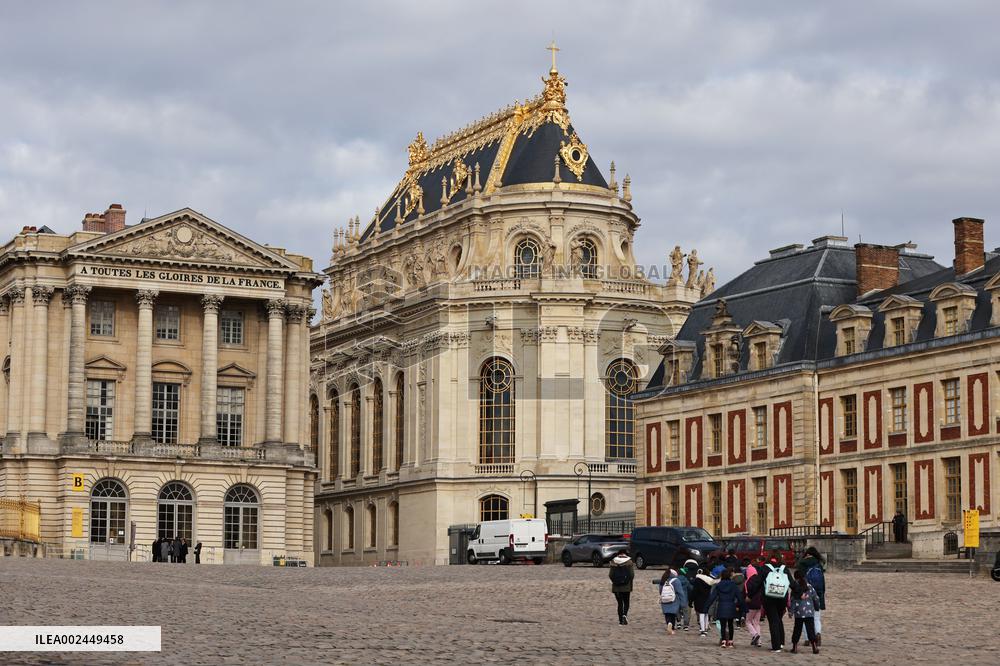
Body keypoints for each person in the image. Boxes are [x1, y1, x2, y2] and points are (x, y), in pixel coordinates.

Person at [752, 553, 790, 652]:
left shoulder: (765, 568)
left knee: (773, 621)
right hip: (782, 598)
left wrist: (750, 595)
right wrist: (800, 591)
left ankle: (776, 646)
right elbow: (792, 582)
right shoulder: (784, 568)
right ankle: (781, 642)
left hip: (769, 598)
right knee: (779, 619)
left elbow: (757, 583)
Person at [797, 546, 826, 646]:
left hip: (806, 592)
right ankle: (818, 633)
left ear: (807, 554)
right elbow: (822, 580)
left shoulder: (802, 563)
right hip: (818, 592)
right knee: (816, 617)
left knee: (805, 616)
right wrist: (822, 593)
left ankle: (807, 639)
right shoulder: (818, 563)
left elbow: (799, 579)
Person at [707, 568, 743, 648]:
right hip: (731, 606)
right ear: (730, 576)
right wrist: (740, 606)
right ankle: (730, 641)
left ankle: (723, 641)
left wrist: (706, 607)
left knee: (723, 625)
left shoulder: (718, 585)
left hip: (722, 605)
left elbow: (712, 597)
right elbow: (739, 597)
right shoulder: (733, 585)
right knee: (730, 624)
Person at [789, 569, 820, 654]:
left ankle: (795, 647)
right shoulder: (810, 587)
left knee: (797, 630)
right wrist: (817, 607)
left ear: (795, 578)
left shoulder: (795, 588)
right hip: (809, 612)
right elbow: (816, 598)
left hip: (799, 613)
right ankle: (814, 646)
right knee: (810, 630)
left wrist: (791, 611)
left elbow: (792, 601)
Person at [608, 550, 635, 625]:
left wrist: (615, 581)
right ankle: (624, 615)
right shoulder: (629, 562)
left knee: (620, 603)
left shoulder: (614, 562)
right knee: (626, 602)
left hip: (616, 587)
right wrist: (627, 581)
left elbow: (610, 575)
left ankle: (620, 620)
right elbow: (632, 575)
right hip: (626, 587)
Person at [690, 567, 718, 637]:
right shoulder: (709, 581)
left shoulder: (697, 580)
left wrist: (691, 600)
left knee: (701, 614)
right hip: (707, 598)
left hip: (699, 599)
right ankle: (705, 627)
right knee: (705, 613)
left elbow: (694, 591)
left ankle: (703, 630)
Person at [743, 559, 764, 647]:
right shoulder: (760, 580)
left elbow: (745, 594)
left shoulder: (747, 582)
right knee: (756, 622)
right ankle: (758, 641)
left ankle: (755, 634)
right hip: (759, 604)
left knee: (748, 621)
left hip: (751, 604)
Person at [658, 569, 684, 634]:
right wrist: (683, 602)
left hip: (664, 600)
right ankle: (672, 628)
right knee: (672, 614)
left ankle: (669, 623)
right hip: (674, 600)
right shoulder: (676, 581)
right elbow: (680, 592)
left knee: (667, 614)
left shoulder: (663, 580)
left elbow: (660, 591)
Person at [675, 559, 696, 631]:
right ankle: (686, 625)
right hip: (685, 598)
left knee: (677, 611)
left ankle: (678, 623)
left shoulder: (675, 580)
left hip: (677, 598)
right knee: (686, 612)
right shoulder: (686, 581)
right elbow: (690, 588)